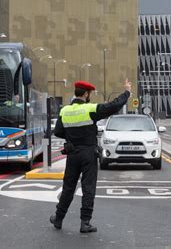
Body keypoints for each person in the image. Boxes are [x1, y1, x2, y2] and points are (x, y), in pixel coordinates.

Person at [50, 78, 132, 233]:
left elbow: (58, 132)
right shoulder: (90, 109)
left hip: (72, 153)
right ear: (86, 94)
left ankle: (58, 218)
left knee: (68, 187)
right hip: (88, 153)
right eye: (90, 94)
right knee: (88, 188)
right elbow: (113, 106)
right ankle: (85, 222)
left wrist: (71, 137)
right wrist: (126, 92)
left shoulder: (64, 111)